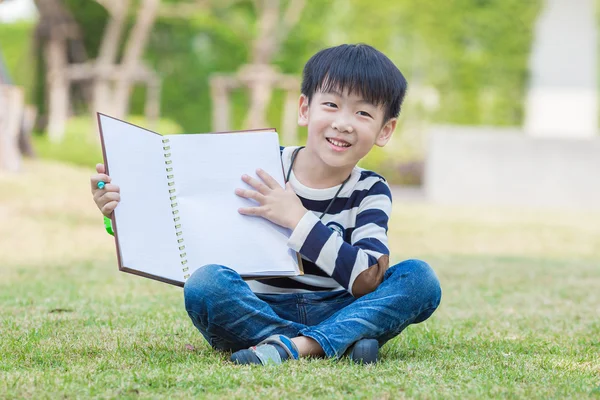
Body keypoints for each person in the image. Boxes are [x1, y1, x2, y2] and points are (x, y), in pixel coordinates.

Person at [90, 43, 442, 366]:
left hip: (342, 305)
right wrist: (118, 213)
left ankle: (295, 347)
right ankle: (340, 343)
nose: (343, 123)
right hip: (260, 307)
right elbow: (195, 227)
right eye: (331, 105)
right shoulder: (261, 163)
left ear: (385, 130)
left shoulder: (370, 189)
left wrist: (298, 220)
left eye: (363, 114)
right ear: (305, 109)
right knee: (205, 283)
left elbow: (367, 280)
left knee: (419, 279)